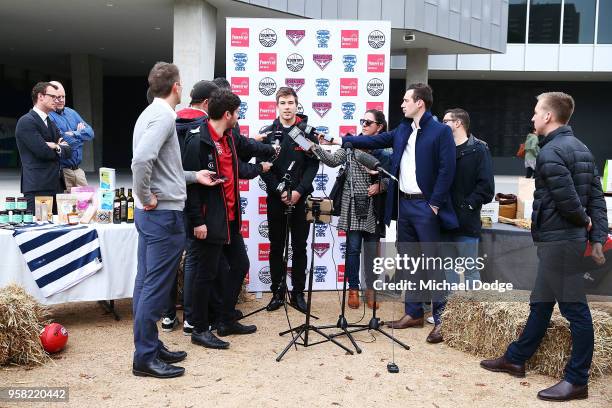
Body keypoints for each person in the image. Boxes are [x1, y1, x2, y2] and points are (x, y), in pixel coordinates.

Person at [480, 92, 607, 402]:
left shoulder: (551, 153)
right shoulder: (582, 149)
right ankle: (516, 357)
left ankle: (577, 380)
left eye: (536, 112)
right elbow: (597, 198)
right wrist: (597, 236)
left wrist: (587, 224)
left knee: (575, 311)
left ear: (549, 116)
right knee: (541, 302)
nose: (532, 118)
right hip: (563, 240)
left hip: (560, 241)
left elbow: (571, 203)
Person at [342, 83, 457, 344]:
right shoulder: (404, 128)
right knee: (410, 261)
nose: (402, 104)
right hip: (403, 206)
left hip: (426, 207)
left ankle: (441, 320)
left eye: (406, 100)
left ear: (420, 103)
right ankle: (413, 313)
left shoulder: (441, 132)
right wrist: (346, 140)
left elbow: (447, 170)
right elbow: (375, 140)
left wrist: (435, 204)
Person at [130, 62, 220, 379]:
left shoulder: (148, 114)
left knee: (145, 283)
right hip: (162, 215)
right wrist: (146, 195)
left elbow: (161, 169)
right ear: (177, 87)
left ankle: (150, 347)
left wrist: (195, 175)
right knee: (155, 287)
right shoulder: (165, 116)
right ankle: (144, 357)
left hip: (152, 214)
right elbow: (141, 161)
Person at [182, 88, 270, 349]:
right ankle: (199, 328)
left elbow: (244, 158)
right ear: (228, 114)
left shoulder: (230, 136)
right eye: (237, 113)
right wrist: (197, 221)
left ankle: (225, 319)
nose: (238, 117)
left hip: (230, 218)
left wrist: (271, 153)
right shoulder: (197, 140)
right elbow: (191, 186)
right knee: (205, 274)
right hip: (207, 222)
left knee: (240, 265)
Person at [311, 109, 390, 309]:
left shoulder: (387, 149)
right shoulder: (350, 143)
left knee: (372, 251)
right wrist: (315, 146)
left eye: (368, 122)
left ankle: (371, 290)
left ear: (379, 126)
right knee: (353, 249)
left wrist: (381, 185)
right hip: (353, 204)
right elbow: (332, 160)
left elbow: (395, 175)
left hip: (375, 206)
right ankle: (353, 290)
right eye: (362, 121)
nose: (363, 124)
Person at [427, 108, 495, 338]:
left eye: (445, 121)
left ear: (457, 124)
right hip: (445, 221)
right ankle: (447, 317)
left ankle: (477, 316)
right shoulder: (441, 149)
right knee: (448, 271)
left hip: (466, 222)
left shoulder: (479, 149)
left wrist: (466, 206)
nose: (441, 124)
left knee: (470, 269)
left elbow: (486, 188)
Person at [259, 87, 319, 313]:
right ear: (277, 106)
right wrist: (280, 191)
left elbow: (313, 164)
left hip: (300, 198)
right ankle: (277, 293)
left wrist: (299, 191)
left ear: (297, 105)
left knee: (299, 247)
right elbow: (263, 167)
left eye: (291, 102)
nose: (287, 107)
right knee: (276, 247)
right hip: (276, 199)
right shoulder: (268, 133)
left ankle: (297, 294)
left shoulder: (305, 133)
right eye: (282, 103)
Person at [15, 82, 72, 212]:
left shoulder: (51, 122)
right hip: (37, 187)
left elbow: (68, 151)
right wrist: (57, 147)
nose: (56, 100)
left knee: (58, 229)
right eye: (53, 96)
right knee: (38, 229)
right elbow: (43, 152)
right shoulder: (26, 121)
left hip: (56, 186)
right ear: (40, 96)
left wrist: (55, 146)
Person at [48, 81, 94, 190]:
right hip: (63, 171)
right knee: (66, 204)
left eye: (63, 96)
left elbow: (91, 133)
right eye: (58, 97)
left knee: (86, 203)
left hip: (78, 171)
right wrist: (81, 138)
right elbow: (63, 140)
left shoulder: (71, 112)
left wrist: (74, 133)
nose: (61, 100)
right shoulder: (49, 116)